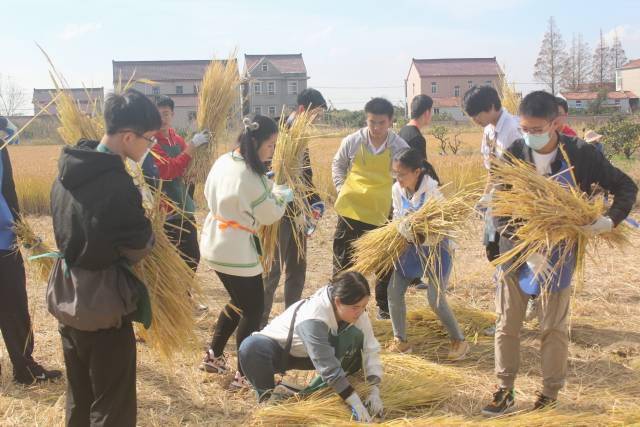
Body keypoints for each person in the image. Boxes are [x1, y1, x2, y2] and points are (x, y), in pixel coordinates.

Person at [482, 91, 638, 416]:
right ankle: (504, 390)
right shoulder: (513, 154)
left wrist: (609, 219)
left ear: (556, 123)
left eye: (537, 129)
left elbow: (626, 186)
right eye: (525, 128)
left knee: (553, 327)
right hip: (517, 252)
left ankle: (550, 393)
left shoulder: (580, 155)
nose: (530, 135)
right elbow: (499, 207)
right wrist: (521, 243)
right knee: (507, 324)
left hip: (559, 255)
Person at [47, 88, 159, 426]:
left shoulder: (67, 169)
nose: (149, 146)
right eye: (149, 139)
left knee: (79, 397)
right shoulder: (117, 184)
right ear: (128, 137)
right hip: (102, 307)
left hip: (67, 299)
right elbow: (139, 245)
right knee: (113, 406)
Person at [199, 115, 292, 389]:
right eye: (270, 145)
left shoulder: (224, 160)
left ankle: (213, 356)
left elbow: (207, 192)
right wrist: (282, 195)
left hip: (214, 241)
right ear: (255, 142)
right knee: (253, 309)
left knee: (238, 301)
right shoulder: (252, 176)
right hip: (236, 250)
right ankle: (244, 374)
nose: (272, 151)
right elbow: (269, 214)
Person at [240, 271, 383, 423]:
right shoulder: (314, 316)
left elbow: (370, 349)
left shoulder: (356, 312)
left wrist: (374, 390)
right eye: (356, 307)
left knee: (355, 340)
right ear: (338, 302)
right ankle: (268, 399)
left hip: (317, 354)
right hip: (281, 353)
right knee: (250, 347)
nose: (360, 312)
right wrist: (355, 402)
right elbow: (328, 367)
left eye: (364, 306)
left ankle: (310, 392)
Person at [386, 148, 469, 360]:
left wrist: (418, 232)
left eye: (402, 174)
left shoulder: (433, 193)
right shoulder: (397, 189)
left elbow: (441, 230)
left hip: (436, 250)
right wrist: (400, 227)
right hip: (410, 250)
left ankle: (459, 340)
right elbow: (397, 214)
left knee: (435, 300)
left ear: (417, 172)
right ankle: (400, 341)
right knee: (394, 292)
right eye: (395, 173)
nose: (398, 178)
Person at [332, 97, 409, 320]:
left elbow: (406, 176)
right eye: (371, 122)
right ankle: (341, 304)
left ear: (391, 122)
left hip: (382, 212)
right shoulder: (353, 141)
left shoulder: (399, 147)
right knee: (344, 259)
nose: (375, 128)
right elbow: (338, 164)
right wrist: (341, 188)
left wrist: (398, 204)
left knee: (384, 261)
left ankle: (383, 307)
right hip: (350, 210)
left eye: (381, 123)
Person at [262, 88, 327, 328]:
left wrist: (314, 201)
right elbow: (262, 169)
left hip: (298, 211)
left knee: (298, 267)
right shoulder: (276, 132)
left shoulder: (301, 136)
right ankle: (259, 324)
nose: (316, 120)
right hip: (276, 210)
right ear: (302, 109)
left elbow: (305, 174)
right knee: (272, 271)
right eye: (315, 115)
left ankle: (289, 320)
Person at [0, 144, 61, 385]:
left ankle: (24, 366)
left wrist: (21, 228)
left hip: (4, 241)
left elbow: (8, 190)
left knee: (15, 303)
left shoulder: (1, 148)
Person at [150, 96, 209, 273]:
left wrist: (196, 170)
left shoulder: (177, 140)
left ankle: (185, 297)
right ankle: (183, 297)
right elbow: (169, 170)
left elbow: (186, 168)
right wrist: (192, 146)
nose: (162, 118)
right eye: (158, 114)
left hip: (185, 206)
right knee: (174, 262)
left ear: (172, 115)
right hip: (166, 211)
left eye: (166, 114)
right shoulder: (152, 144)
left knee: (192, 258)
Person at [463, 85, 522, 263]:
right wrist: (485, 195)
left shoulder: (514, 128)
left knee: (510, 248)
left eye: (476, 114)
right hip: (497, 196)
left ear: (490, 106)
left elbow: (525, 170)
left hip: (515, 198)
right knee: (492, 248)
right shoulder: (488, 130)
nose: (474, 120)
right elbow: (492, 168)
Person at [398, 95, 433, 162]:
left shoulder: (402, 131)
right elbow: (420, 169)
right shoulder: (417, 139)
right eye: (431, 111)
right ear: (427, 113)